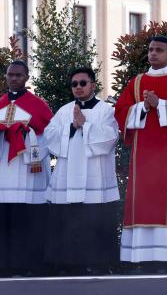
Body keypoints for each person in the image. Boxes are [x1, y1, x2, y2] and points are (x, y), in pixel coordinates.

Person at [114, 36, 167, 263]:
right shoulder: (137, 81)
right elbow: (120, 110)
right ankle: (143, 258)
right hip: (144, 159)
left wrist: (160, 104)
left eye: (159, 50)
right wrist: (143, 106)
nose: (153, 54)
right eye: (151, 50)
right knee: (144, 203)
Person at [44, 67, 119, 273]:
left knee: (94, 220)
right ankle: (67, 264)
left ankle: (97, 264)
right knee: (67, 220)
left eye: (82, 83)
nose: (78, 87)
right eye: (74, 84)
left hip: (95, 179)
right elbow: (49, 136)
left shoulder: (106, 110)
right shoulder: (64, 110)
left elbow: (110, 138)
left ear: (93, 85)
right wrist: (70, 127)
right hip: (67, 178)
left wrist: (85, 125)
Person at [0, 60, 53, 276]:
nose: (14, 78)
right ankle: (4, 265)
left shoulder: (38, 104)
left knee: (27, 221)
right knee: (5, 221)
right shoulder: (1, 102)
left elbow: (51, 136)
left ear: (27, 77)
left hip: (27, 170)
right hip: (4, 171)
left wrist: (28, 133)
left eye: (18, 75)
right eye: (10, 75)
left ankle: (30, 265)